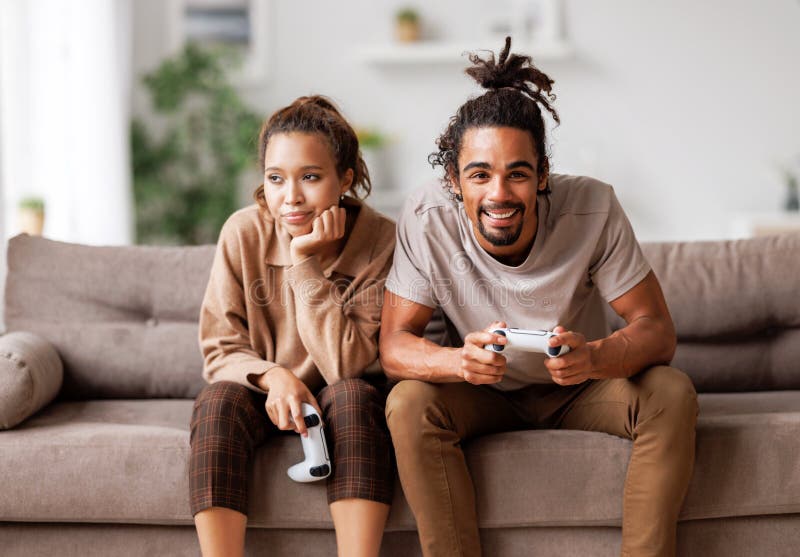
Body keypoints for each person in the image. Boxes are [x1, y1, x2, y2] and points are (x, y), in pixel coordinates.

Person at [379, 37, 698, 557]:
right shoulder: (424, 216)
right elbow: (394, 344)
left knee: (671, 392)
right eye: (479, 174)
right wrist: (459, 362)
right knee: (408, 402)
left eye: (518, 174)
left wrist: (593, 357)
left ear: (543, 176)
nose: (499, 194)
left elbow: (657, 332)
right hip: (482, 391)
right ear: (454, 182)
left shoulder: (593, 206)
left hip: (580, 386)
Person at [189, 95, 396, 557]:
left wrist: (303, 263)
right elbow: (219, 348)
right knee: (218, 400)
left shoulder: (381, 240)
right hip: (262, 394)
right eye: (276, 179)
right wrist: (274, 376)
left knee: (354, 396)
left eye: (311, 177)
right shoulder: (243, 232)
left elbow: (348, 364)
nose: (292, 197)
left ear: (345, 179)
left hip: (342, 396)